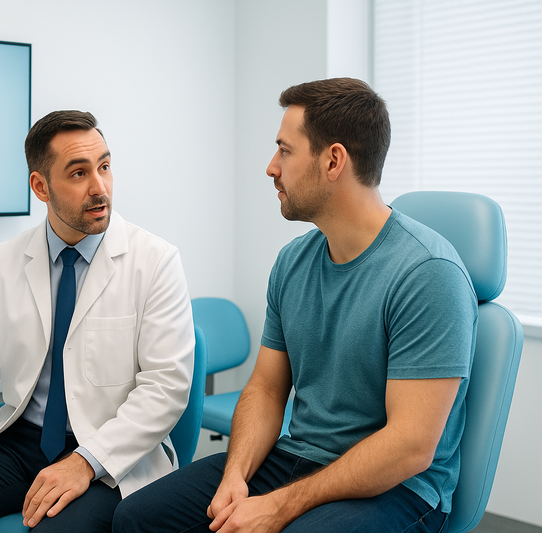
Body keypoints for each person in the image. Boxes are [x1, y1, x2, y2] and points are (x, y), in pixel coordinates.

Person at [112, 78, 477, 533]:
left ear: (333, 160)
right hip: (296, 457)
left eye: (284, 150)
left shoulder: (428, 273)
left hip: (400, 489)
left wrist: (282, 506)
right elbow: (266, 390)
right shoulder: (293, 262)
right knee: (137, 518)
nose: (270, 167)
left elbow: (410, 446)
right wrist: (235, 475)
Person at [0, 110, 195, 533]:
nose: (100, 188)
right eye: (79, 173)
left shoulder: (155, 261)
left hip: (110, 451)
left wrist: (84, 462)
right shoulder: (4, 262)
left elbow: (165, 388)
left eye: (105, 166)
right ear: (40, 186)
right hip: (23, 442)